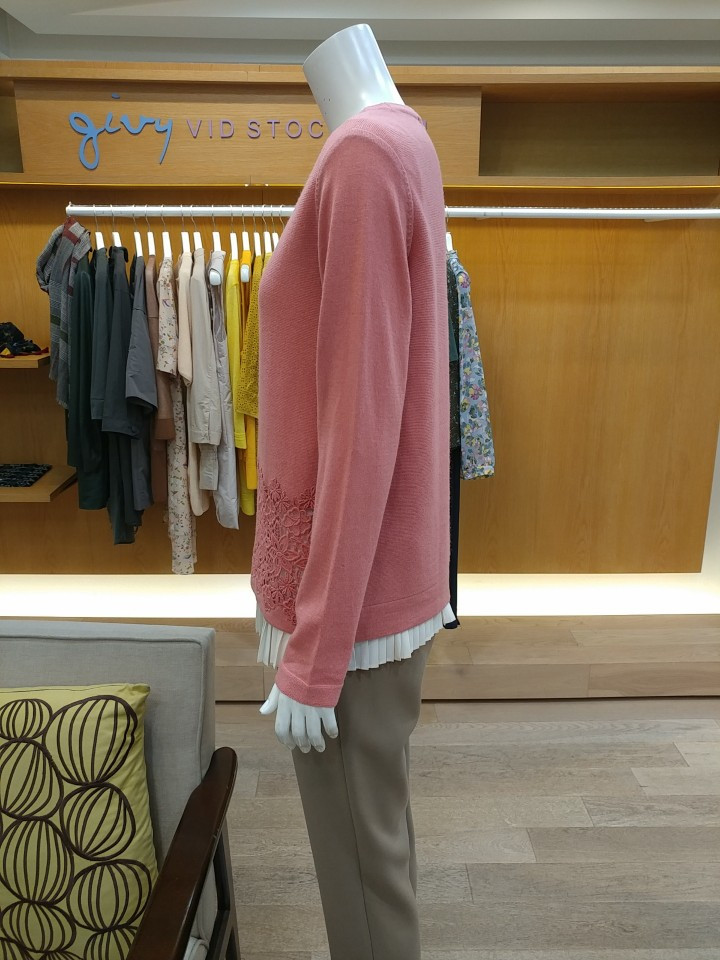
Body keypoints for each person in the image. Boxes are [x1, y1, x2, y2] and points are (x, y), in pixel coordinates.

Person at [251, 22, 451, 960]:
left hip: (349, 608)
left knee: (360, 877)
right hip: (375, 585)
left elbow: (362, 420)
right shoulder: (405, 139)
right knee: (377, 853)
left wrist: (314, 653)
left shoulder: (364, 157)